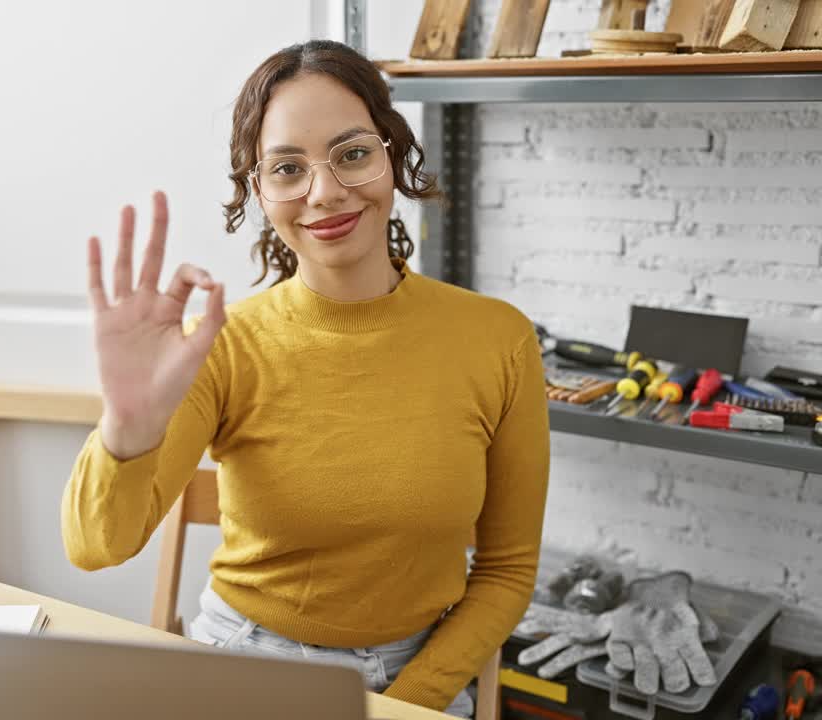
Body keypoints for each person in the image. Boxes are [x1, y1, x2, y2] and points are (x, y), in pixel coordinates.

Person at [63, 39, 550, 717]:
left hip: (420, 679)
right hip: (244, 666)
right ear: (258, 192)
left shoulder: (498, 338)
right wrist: (125, 427)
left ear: (393, 155)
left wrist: (408, 705)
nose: (324, 192)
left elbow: (506, 571)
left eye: (352, 153)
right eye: (288, 169)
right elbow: (95, 546)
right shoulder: (221, 345)